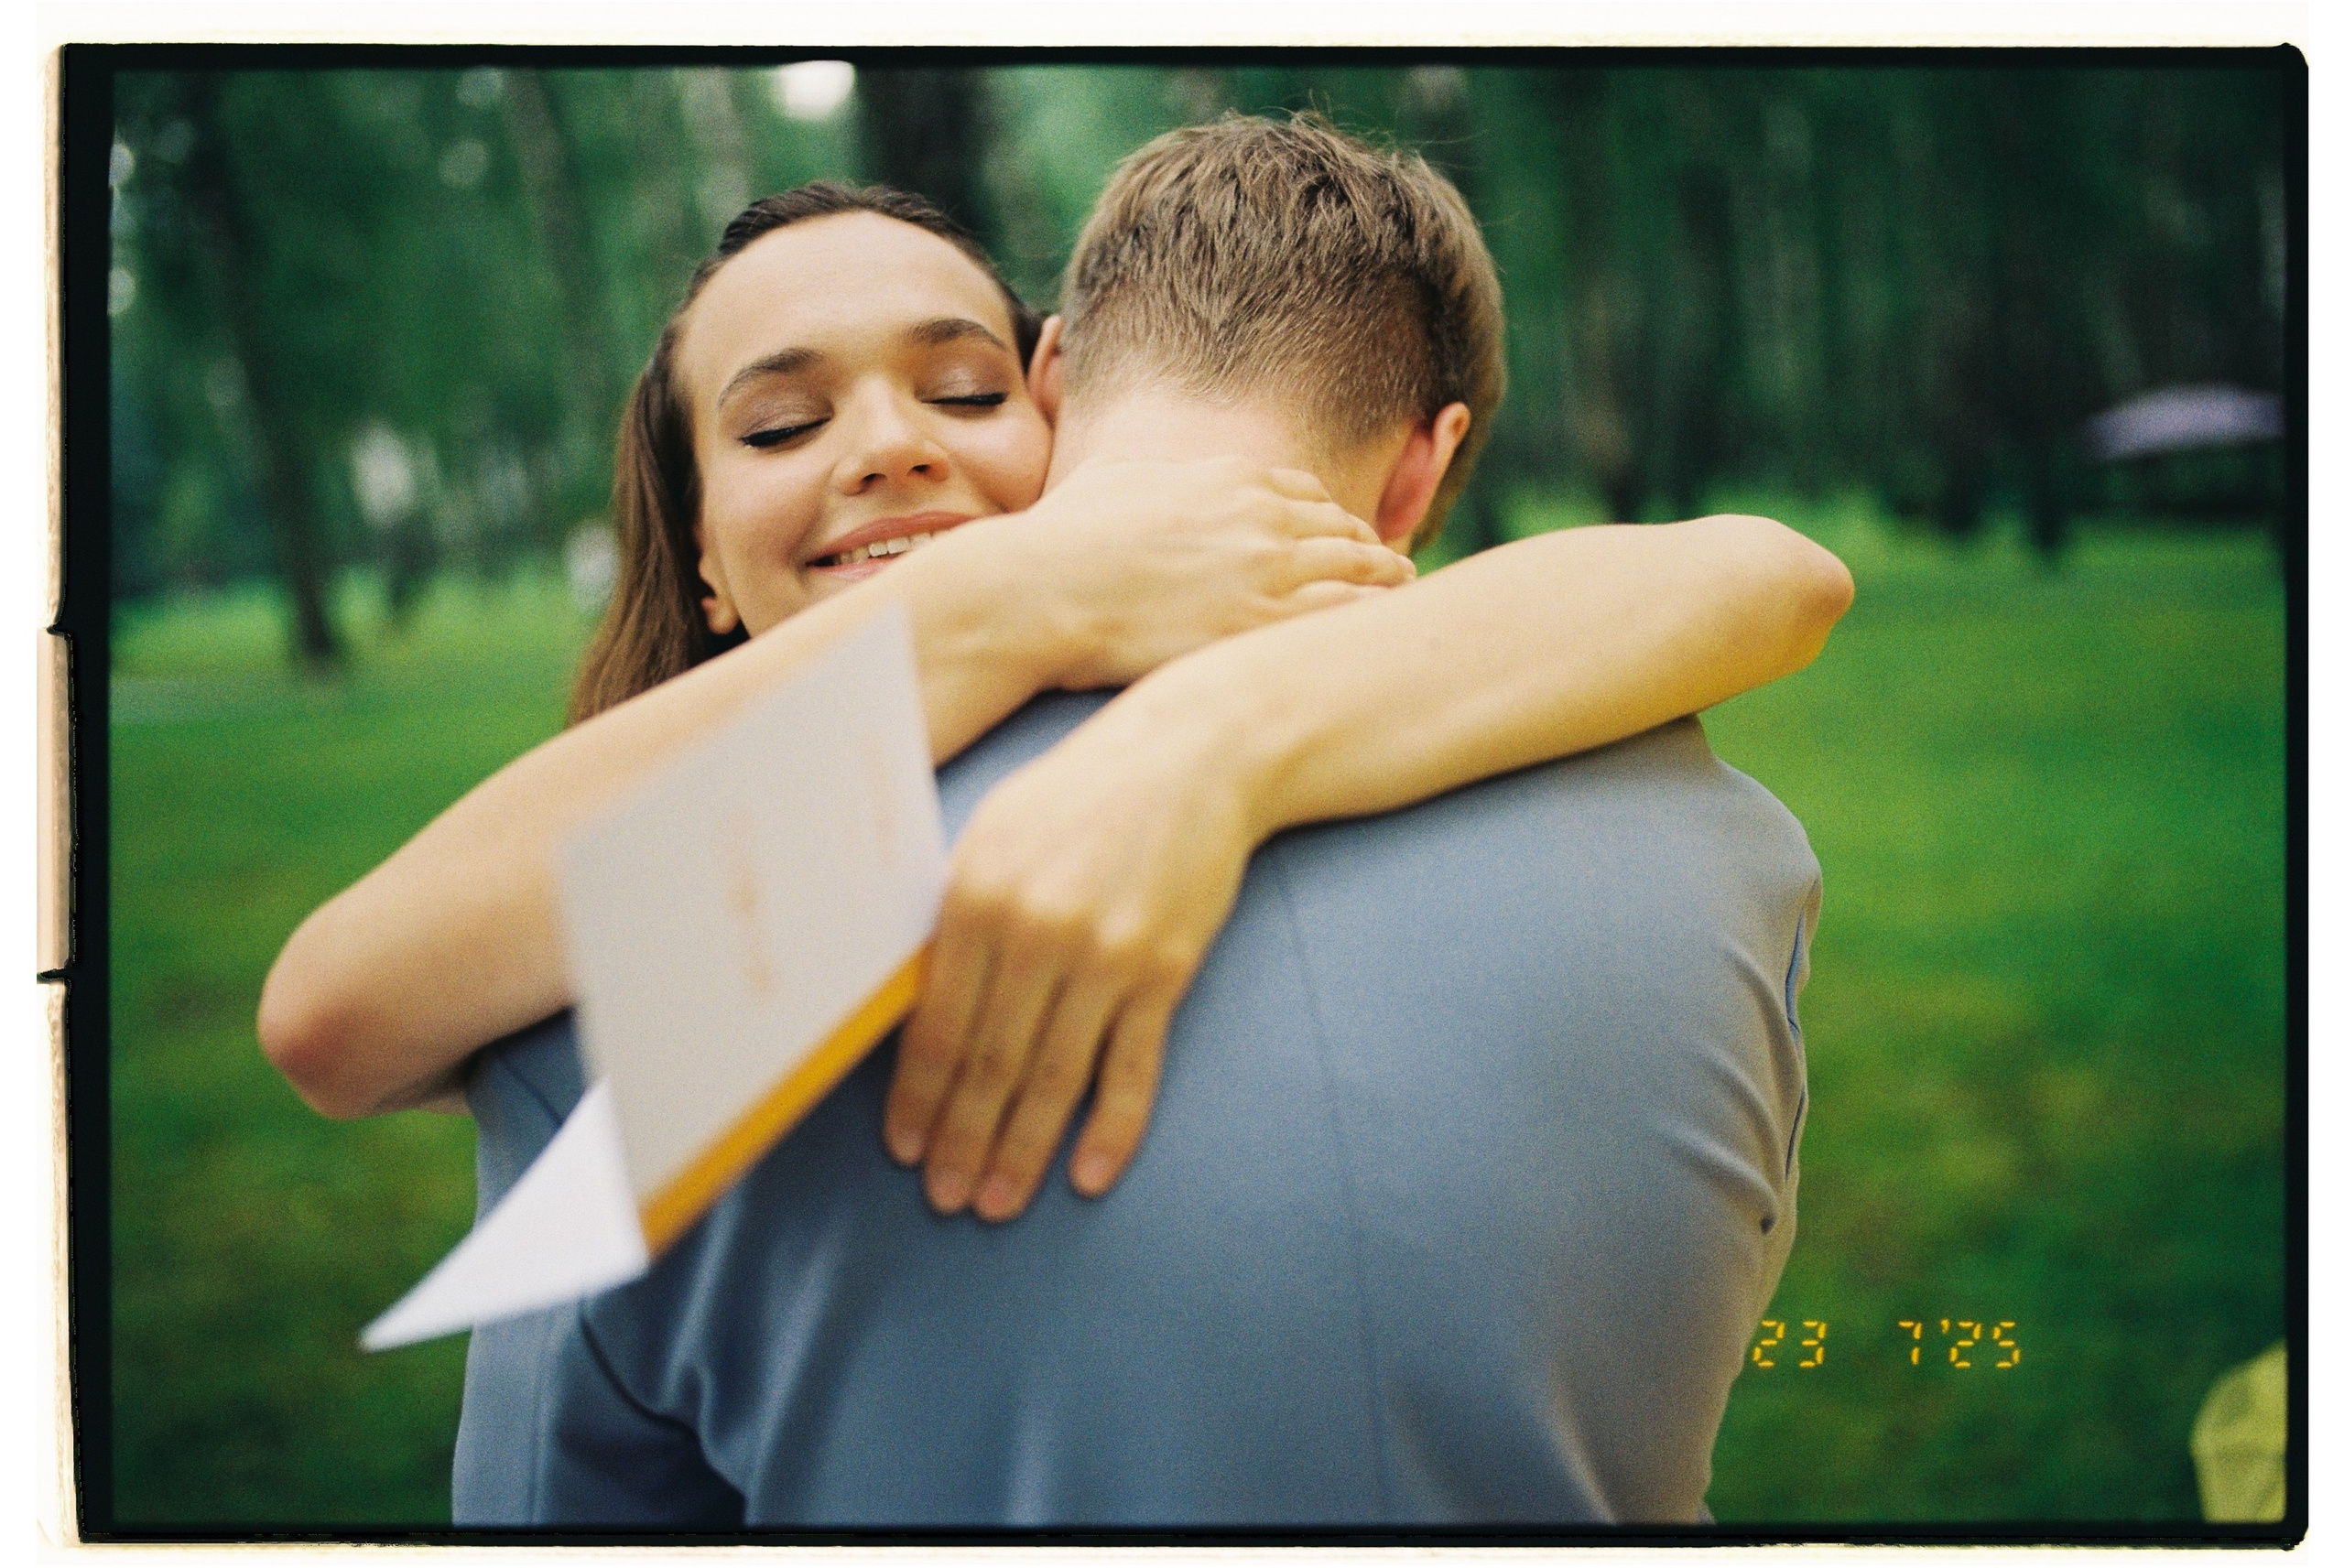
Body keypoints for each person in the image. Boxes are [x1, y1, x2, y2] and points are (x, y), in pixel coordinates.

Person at [445, 114, 1829, 1527]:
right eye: (783, 423)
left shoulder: (638, 965)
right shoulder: (1735, 863)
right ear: (1427, 466)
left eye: (960, 390)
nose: (889, 452)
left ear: (1052, 387)